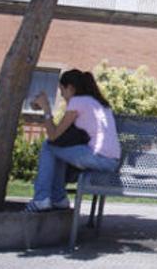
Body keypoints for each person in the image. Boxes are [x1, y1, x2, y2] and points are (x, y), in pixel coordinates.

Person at [25, 69, 121, 212]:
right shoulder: (96, 102)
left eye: (62, 91)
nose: (62, 96)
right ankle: (58, 199)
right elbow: (61, 138)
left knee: (48, 146)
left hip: (98, 158)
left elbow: (53, 136)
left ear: (70, 88)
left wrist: (46, 108)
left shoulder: (77, 102)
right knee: (58, 150)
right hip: (111, 160)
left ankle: (41, 199)